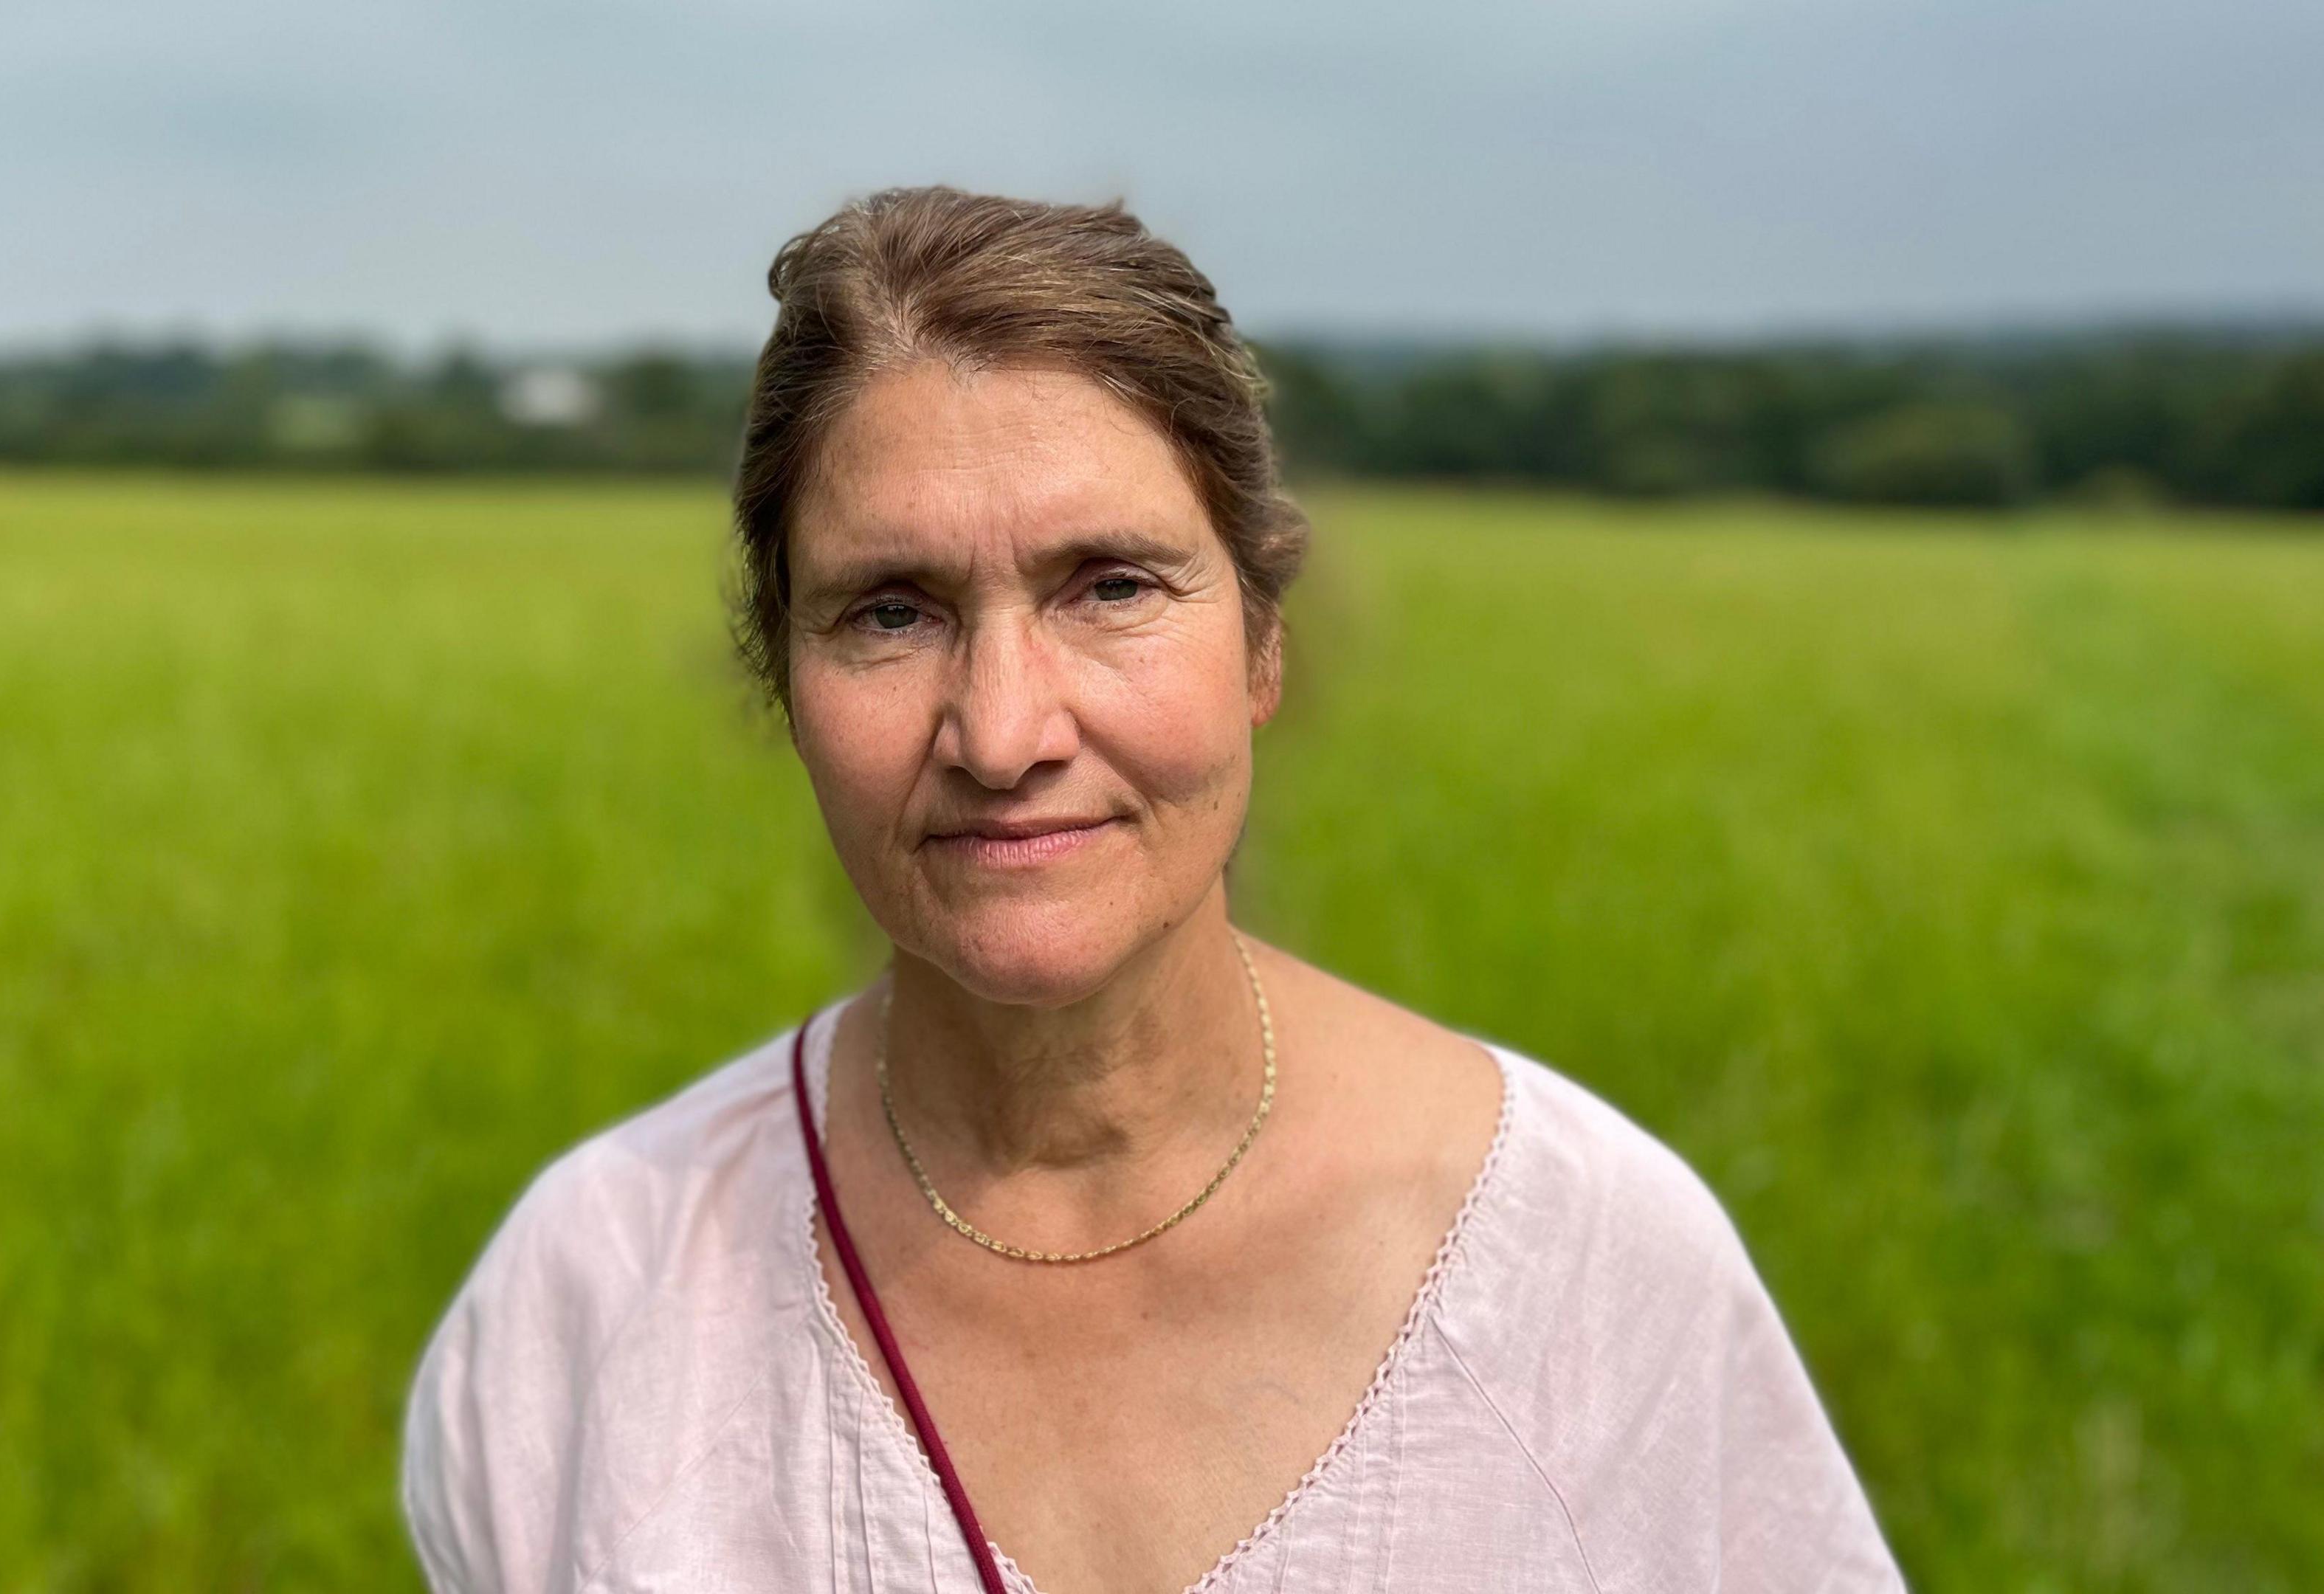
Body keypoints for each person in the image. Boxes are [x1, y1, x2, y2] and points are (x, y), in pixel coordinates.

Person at [402, 185, 1903, 1592]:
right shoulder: (589, 1304)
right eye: (890, 611)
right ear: (781, 681)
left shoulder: (1591, 1276)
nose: (1003, 732)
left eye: (1111, 585)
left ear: (1262, 643)